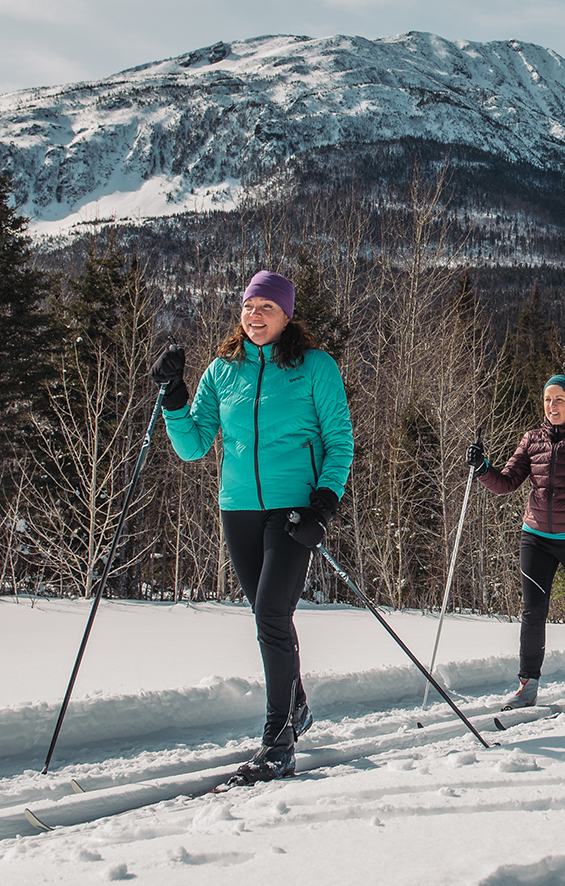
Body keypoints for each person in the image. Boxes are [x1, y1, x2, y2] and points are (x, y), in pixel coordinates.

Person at [152, 269, 354, 780]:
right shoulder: (223, 372)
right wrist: (174, 394)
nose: (255, 315)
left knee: (269, 611)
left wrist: (322, 505)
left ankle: (278, 737)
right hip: (238, 508)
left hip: (292, 509)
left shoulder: (315, 368)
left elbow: (339, 442)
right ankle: (298, 706)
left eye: (266, 307)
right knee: (271, 618)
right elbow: (193, 445)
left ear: (287, 316)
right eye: (248, 306)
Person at [467, 374, 565, 712]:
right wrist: (481, 468)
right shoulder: (532, 440)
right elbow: (506, 483)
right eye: (548, 399)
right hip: (536, 537)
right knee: (533, 613)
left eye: (559, 399)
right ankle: (527, 687)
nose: (552, 406)